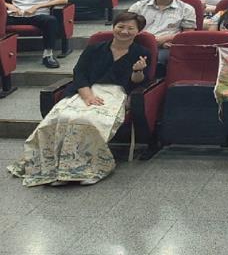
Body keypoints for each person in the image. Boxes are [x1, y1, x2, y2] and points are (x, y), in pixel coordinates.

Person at [8, 12, 150, 186]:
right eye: (120, 27)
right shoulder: (94, 48)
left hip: (116, 93)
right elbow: (79, 73)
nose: (124, 31)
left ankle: (90, 168)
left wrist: (138, 70)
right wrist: (88, 95)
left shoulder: (141, 52)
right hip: (84, 90)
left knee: (88, 120)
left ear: (138, 31)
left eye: (130, 28)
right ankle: (55, 169)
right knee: (61, 117)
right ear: (114, 27)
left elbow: (137, 82)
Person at [128, 0, 196, 69]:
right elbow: (127, 26)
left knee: (156, 60)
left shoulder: (186, 9)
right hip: (139, 43)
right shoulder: (139, 6)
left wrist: (164, 39)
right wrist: (150, 41)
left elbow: (188, 34)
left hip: (166, 46)